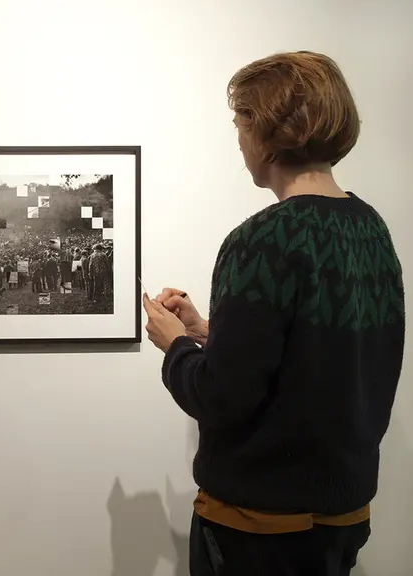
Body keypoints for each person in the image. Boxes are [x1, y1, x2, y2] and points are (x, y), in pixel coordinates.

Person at [142, 51, 405, 575]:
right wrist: (206, 330)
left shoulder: (261, 240)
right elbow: (312, 353)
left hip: (259, 530)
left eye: (241, 124)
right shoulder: (371, 228)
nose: (239, 141)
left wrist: (176, 345)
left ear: (266, 132)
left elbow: (221, 396)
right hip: (342, 519)